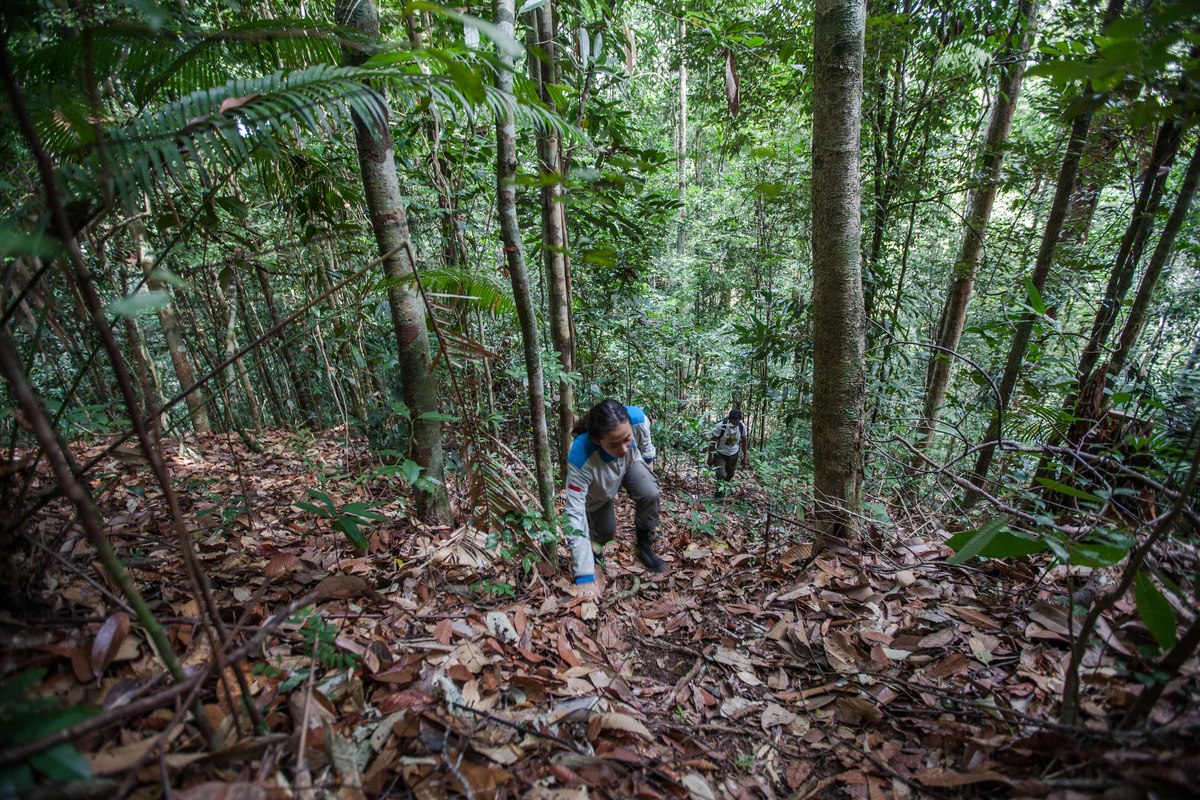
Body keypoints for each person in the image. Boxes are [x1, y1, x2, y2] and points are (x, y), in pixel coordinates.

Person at [564, 399, 665, 597]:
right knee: (606, 532)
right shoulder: (580, 456)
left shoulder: (637, 419)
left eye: (627, 439)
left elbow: (645, 449)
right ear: (597, 440)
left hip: (630, 465)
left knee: (650, 492)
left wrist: (646, 481)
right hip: (598, 486)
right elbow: (574, 513)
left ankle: (644, 545)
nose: (623, 448)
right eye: (614, 444)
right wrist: (583, 574)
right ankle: (596, 549)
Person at [707, 407, 749, 497]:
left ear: (739, 420)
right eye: (732, 422)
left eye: (736, 422)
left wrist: (745, 457)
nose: (734, 424)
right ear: (729, 419)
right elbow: (712, 441)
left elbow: (744, 441)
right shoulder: (720, 426)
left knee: (730, 475)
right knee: (721, 474)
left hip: (734, 454)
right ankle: (719, 495)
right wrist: (710, 457)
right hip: (720, 454)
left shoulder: (742, 426)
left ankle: (723, 489)